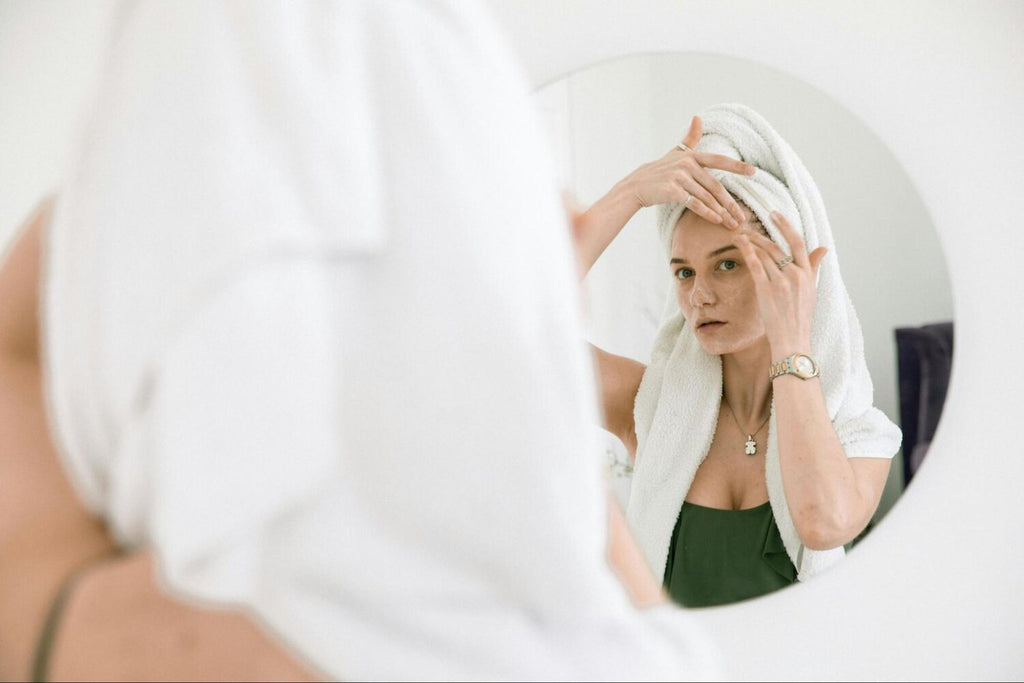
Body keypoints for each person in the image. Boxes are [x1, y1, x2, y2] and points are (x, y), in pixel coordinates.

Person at [0, 2, 722, 680]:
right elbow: (541, 418)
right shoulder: (631, 658)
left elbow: (17, 354)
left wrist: (117, 211)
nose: (702, 293)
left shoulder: (133, 640)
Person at [571, 103, 902, 608]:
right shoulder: (649, 410)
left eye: (726, 264)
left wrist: (791, 342)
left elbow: (821, 524)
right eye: (684, 271)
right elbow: (502, 338)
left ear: (788, 271)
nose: (698, 295)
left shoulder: (857, 433)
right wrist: (632, 193)